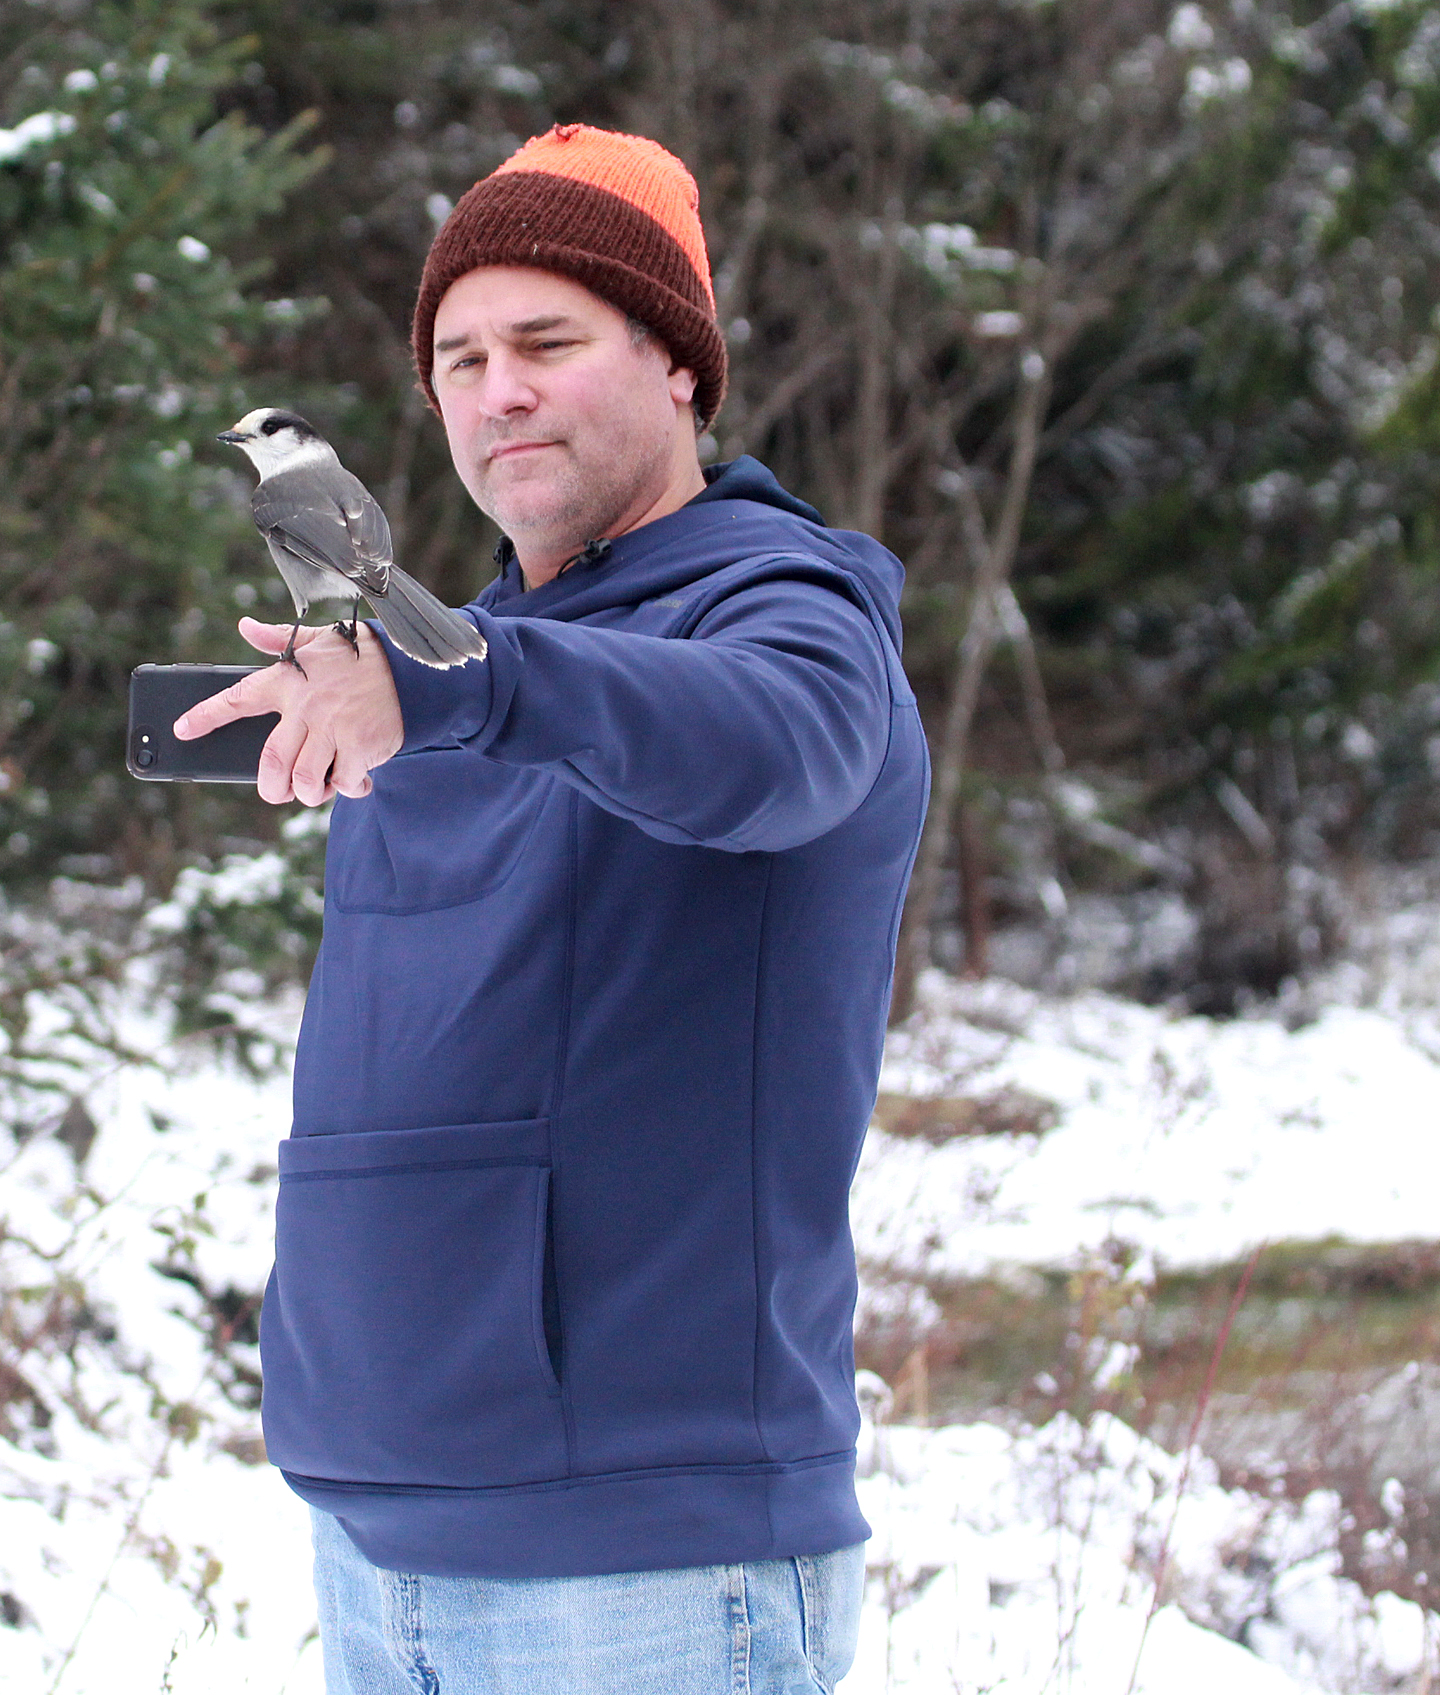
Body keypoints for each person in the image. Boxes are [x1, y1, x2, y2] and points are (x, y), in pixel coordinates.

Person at [175, 123, 929, 1694]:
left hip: (650, 1557)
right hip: (382, 1529)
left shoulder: (782, 607)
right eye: (456, 357)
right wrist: (425, 691)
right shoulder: (468, 663)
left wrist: (471, 685)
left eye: (546, 341)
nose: (493, 389)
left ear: (676, 368)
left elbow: (774, 745)